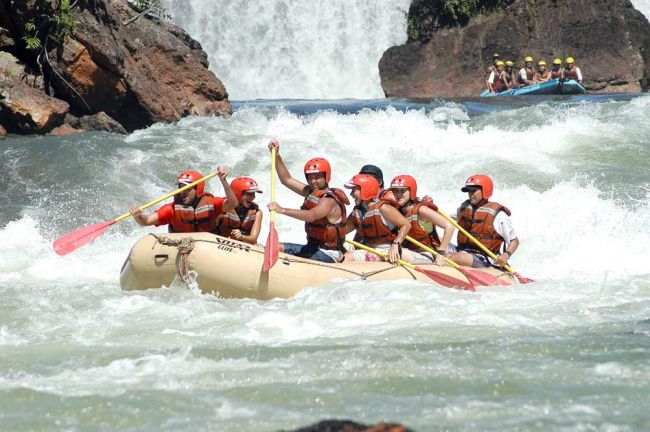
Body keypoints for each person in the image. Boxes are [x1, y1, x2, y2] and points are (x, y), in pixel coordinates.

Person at [266, 140, 350, 263]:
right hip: (313, 248)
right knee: (273, 246)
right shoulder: (311, 193)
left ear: (326, 177)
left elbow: (311, 215)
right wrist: (277, 155)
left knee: (275, 247)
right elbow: (286, 179)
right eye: (310, 178)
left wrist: (282, 210)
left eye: (317, 177)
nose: (313, 181)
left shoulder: (329, 200)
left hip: (328, 254)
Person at [130, 166, 237, 233]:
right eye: (181, 188)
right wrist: (137, 216)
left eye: (187, 189)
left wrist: (223, 180)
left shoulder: (211, 204)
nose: (183, 192)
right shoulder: (171, 209)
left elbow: (232, 204)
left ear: (197, 189)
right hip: (182, 248)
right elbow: (146, 221)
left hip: (209, 249)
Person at [448, 174, 519, 269]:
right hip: (462, 251)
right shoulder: (464, 208)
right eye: (469, 191)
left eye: (474, 191)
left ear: (485, 191)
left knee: (454, 257)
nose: (470, 194)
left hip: (484, 258)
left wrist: (506, 255)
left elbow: (514, 241)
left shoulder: (498, 215)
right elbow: (445, 220)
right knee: (436, 241)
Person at [389, 175, 455, 266]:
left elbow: (450, 226)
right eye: (396, 191)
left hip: (427, 254)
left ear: (411, 192)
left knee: (395, 253)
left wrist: (441, 252)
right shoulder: (397, 211)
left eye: (402, 191)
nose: (398, 194)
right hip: (411, 251)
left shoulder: (421, 210)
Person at [344, 174, 410, 264]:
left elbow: (406, 225)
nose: (351, 193)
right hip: (367, 248)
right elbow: (342, 231)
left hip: (385, 251)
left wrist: (395, 244)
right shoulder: (357, 212)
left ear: (364, 190)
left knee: (347, 257)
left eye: (353, 190)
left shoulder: (383, 207)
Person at [217, 176, 263, 244]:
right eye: (249, 194)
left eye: (254, 194)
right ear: (237, 193)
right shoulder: (223, 207)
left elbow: (253, 239)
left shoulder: (257, 213)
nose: (253, 197)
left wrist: (241, 236)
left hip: (243, 246)